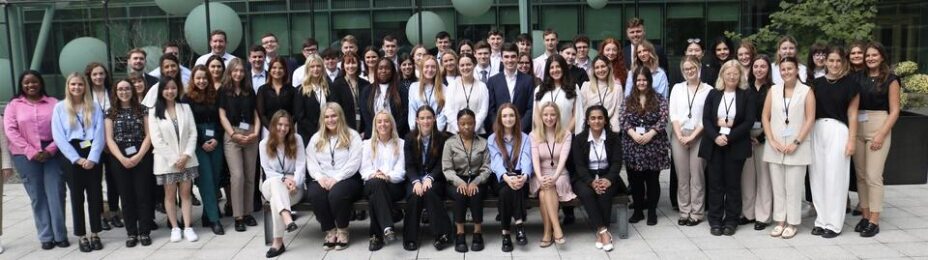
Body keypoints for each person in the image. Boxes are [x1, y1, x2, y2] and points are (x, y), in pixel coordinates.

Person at [5, 70, 69, 250]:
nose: (30, 85)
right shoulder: (13, 105)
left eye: (34, 82)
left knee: (56, 193)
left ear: (41, 83)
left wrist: (50, 149)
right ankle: (46, 235)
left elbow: (62, 128)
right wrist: (31, 151)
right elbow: (11, 131)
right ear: (21, 85)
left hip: (53, 153)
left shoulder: (54, 103)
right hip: (25, 155)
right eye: (26, 83)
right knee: (37, 196)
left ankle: (60, 234)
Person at [699, 60, 756, 236]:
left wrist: (729, 137)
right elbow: (706, 119)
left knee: (733, 185)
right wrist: (716, 136)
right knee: (715, 184)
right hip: (714, 144)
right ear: (722, 75)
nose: (731, 76)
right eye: (728, 73)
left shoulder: (746, 95)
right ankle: (715, 220)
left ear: (740, 76)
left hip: (736, 144)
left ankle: (731, 220)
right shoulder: (713, 94)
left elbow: (749, 121)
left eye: (735, 73)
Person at [762, 57, 816, 239]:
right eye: (783, 69)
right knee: (778, 187)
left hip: (797, 147)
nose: (786, 72)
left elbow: (810, 119)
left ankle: (792, 223)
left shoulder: (806, 91)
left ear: (797, 70)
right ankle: (779, 221)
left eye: (789, 69)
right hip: (775, 146)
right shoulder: (773, 90)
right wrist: (772, 140)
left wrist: (797, 142)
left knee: (793, 187)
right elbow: (765, 117)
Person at [51, 73, 106, 252]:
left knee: (95, 195)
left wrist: (92, 157)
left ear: (85, 87)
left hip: (92, 151)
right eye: (73, 84)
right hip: (71, 155)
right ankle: (82, 235)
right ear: (68, 86)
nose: (76, 88)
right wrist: (76, 158)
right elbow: (58, 137)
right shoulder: (60, 107)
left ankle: (95, 233)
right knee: (76, 196)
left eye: (80, 84)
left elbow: (99, 133)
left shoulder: (95, 107)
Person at [809, 45, 860, 238]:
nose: (835, 64)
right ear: (825, 62)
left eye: (838, 60)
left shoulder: (851, 84)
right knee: (817, 176)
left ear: (844, 62)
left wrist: (852, 140)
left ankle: (834, 223)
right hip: (817, 130)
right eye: (831, 60)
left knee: (836, 178)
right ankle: (821, 220)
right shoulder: (817, 84)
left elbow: (853, 114)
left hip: (839, 131)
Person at [851, 42, 901, 237]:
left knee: (873, 176)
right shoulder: (857, 78)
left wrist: (881, 133)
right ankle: (864, 215)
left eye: (874, 55)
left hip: (879, 124)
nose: (870, 58)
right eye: (868, 55)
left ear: (881, 57)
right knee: (861, 176)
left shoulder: (891, 79)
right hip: (858, 126)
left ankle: (874, 220)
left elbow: (895, 110)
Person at [306, 102, 363, 251]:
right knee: (314, 194)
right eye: (327, 117)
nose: (330, 120)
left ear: (340, 117)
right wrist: (319, 177)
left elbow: (354, 162)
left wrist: (337, 178)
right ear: (322, 119)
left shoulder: (352, 136)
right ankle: (330, 231)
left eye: (334, 116)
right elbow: (311, 162)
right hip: (323, 178)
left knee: (337, 194)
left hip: (348, 178)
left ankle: (343, 230)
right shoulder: (316, 138)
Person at [149, 78, 200, 243]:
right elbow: (157, 140)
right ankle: (175, 228)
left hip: (187, 160)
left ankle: (188, 227)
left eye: (173, 88)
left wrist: (186, 155)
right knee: (170, 196)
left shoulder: (185, 108)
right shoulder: (154, 111)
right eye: (167, 88)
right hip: (166, 162)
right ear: (161, 91)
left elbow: (193, 133)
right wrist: (174, 159)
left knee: (186, 194)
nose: (170, 91)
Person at [104, 79, 154, 247]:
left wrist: (139, 156)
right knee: (126, 196)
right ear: (115, 92)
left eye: (127, 88)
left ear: (132, 90)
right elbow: (109, 139)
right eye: (120, 89)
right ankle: (131, 232)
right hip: (119, 157)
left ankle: (145, 231)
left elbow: (149, 135)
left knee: (143, 194)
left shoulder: (143, 110)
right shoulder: (110, 112)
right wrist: (122, 158)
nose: (124, 91)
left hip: (142, 154)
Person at [621, 67, 670, 226]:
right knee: (635, 181)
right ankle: (638, 211)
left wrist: (651, 133)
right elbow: (622, 119)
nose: (641, 83)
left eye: (644, 80)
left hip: (654, 145)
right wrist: (633, 134)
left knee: (652, 180)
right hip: (633, 145)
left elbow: (663, 118)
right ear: (635, 82)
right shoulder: (628, 99)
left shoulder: (659, 98)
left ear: (649, 81)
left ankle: (652, 211)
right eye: (638, 80)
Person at [572, 105, 625, 251]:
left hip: (608, 175)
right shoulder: (579, 139)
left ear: (605, 121)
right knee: (587, 193)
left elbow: (616, 162)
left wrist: (608, 179)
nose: (596, 121)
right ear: (588, 121)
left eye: (600, 118)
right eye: (593, 118)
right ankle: (603, 231)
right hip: (585, 178)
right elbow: (579, 165)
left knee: (605, 193)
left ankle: (599, 233)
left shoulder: (613, 138)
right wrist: (591, 182)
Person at [218, 58, 261, 232]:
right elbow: (222, 116)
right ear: (229, 72)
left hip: (251, 133)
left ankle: (248, 212)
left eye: (241, 71)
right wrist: (233, 134)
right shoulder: (223, 91)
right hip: (232, 134)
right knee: (237, 176)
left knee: (250, 176)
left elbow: (256, 113)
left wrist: (256, 132)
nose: (238, 74)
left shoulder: (249, 90)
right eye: (235, 70)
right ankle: (238, 216)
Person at [402, 106, 454, 251]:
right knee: (414, 195)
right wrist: (416, 181)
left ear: (434, 119)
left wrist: (430, 178)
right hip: (415, 178)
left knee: (430, 192)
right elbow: (409, 165)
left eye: (429, 118)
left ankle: (442, 234)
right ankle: (410, 237)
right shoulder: (409, 138)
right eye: (422, 118)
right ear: (417, 120)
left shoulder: (443, 138)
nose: (426, 121)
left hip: (435, 179)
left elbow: (441, 163)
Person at [182, 65, 225, 235]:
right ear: (193, 79)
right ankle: (215, 220)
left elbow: (222, 118)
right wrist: (202, 142)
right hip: (198, 143)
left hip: (216, 140)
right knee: (206, 179)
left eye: (204, 78)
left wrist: (217, 138)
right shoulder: (187, 99)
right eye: (198, 78)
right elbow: (188, 125)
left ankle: (207, 215)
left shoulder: (216, 96)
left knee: (215, 179)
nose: (202, 81)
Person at [669, 55, 711, 226]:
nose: (689, 71)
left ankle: (697, 212)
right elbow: (674, 114)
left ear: (699, 67)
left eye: (692, 68)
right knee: (683, 176)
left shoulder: (708, 90)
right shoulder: (677, 88)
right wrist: (679, 136)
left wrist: (693, 136)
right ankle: (684, 211)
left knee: (697, 175)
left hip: (699, 135)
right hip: (679, 135)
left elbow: (707, 117)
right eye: (686, 69)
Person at [442, 109, 491, 253]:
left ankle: (477, 232)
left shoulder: (483, 142)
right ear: (457, 124)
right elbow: (447, 169)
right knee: (460, 193)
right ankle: (460, 233)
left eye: (470, 123)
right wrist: (460, 183)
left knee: (475, 193)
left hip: (477, 179)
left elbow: (487, 168)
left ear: (475, 123)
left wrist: (477, 181)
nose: (466, 127)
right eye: (462, 123)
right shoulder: (450, 143)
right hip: (456, 179)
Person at [259, 111, 305, 257]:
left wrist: (295, 182)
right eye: (279, 124)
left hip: (293, 187)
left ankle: (277, 242)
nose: (283, 128)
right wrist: (283, 179)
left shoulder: (297, 140)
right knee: (275, 182)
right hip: (271, 184)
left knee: (275, 200)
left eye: (286, 125)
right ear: (273, 125)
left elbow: (301, 166)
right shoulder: (263, 144)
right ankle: (287, 218)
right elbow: (267, 171)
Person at [488, 104, 533, 252]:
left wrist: (525, 176)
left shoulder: (525, 137)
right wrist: (506, 177)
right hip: (500, 177)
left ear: (516, 118)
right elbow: (495, 162)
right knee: (507, 189)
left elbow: (527, 159)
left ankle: (505, 234)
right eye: (505, 116)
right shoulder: (492, 139)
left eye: (511, 115)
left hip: (520, 175)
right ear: (500, 119)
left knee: (509, 191)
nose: (508, 119)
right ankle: (519, 226)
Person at [530, 102, 575, 247]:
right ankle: (557, 229)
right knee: (546, 188)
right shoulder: (534, 134)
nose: (549, 118)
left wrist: (554, 177)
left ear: (558, 116)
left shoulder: (566, 134)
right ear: (541, 116)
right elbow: (535, 160)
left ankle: (548, 232)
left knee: (546, 191)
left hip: (560, 174)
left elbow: (563, 159)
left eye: (552, 114)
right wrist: (540, 176)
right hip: (540, 174)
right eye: (546, 114)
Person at [361, 111, 407, 251]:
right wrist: (376, 175)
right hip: (372, 182)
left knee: (376, 195)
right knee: (376, 185)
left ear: (392, 124)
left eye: (386, 121)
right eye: (379, 121)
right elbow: (364, 170)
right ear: (375, 125)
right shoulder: (368, 144)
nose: (383, 124)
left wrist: (387, 176)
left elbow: (401, 171)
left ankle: (376, 236)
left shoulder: (401, 144)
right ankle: (388, 225)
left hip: (393, 185)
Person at [84, 63, 121, 230]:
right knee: (95, 182)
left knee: (114, 180)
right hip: (92, 145)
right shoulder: (85, 95)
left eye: (101, 74)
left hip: (112, 144)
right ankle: (100, 215)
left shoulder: (113, 93)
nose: (98, 77)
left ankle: (114, 212)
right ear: (89, 77)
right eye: (95, 74)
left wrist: (108, 142)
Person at [743, 55, 775, 231]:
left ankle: (763, 216)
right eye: (756, 66)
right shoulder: (744, 88)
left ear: (768, 69)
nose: (759, 69)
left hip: (765, 135)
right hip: (746, 136)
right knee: (747, 177)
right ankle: (748, 213)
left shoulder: (773, 89)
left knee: (764, 177)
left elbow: (775, 116)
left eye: (763, 66)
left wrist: (763, 137)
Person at [486, 43, 535, 133]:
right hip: (499, 132)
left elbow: (530, 108)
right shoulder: (493, 81)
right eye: (506, 57)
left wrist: (520, 128)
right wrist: (498, 127)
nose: (510, 60)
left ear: (517, 58)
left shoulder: (528, 80)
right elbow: (491, 109)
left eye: (513, 56)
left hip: (522, 132)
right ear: (501, 59)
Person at [360, 58, 409, 138]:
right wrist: (377, 132)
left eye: (387, 68)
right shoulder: (367, 91)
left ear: (392, 71)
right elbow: (366, 115)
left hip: (397, 135)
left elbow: (404, 114)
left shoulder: (401, 89)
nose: (383, 71)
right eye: (380, 68)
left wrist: (392, 131)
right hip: (373, 136)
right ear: (376, 70)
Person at [534, 54, 583, 134]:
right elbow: (536, 114)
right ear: (548, 70)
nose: (555, 70)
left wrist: (565, 134)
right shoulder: (539, 89)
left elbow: (577, 114)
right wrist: (543, 134)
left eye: (558, 66)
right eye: (551, 67)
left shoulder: (574, 87)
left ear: (563, 68)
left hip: (567, 137)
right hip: (545, 138)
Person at [445, 54, 490, 135]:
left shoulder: (482, 86)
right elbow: (448, 110)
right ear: (458, 66)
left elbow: (483, 111)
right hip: (455, 132)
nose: (465, 68)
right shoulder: (452, 86)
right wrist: (459, 128)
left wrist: (473, 128)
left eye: (468, 64)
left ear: (474, 65)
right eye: (462, 65)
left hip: (477, 132)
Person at [580, 56, 624, 132]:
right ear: (593, 70)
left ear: (609, 67)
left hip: (610, 129)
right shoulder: (586, 86)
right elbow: (583, 111)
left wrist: (611, 131)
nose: (600, 70)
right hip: (589, 129)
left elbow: (617, 112)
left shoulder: (617, 88)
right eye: (597, 67)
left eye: (603, 66)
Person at [256, 57, 296, 134]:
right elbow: (261, 114)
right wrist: (272, 129)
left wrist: (286, 127)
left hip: (288, 130)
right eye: (274, 67)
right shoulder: (262, 90)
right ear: (270, 70)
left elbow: (295, 113)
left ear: (285, 71)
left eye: (280, 68)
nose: (277, 70)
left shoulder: (292, 90)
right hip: (268, 131)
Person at [407, 55, 447, 131]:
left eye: (433, 67)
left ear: (437, 69)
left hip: (437, 132)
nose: (430, 69)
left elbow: (443, 113)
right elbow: (412, 111)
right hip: (417, 132)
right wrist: (415, 130)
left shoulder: (444, 88)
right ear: (422, 69)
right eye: (427, 66)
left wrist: (436, 130)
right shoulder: (414, 87)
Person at [328, 54, 365, 134]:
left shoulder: (365, 84)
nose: (351, 66)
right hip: (344, 128)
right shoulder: (336, 85)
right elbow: (335, 109)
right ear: (343, 66)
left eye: (354, 63)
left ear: (358, 65)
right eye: (348, 63)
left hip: (363, 128)